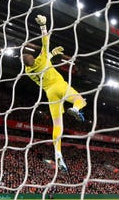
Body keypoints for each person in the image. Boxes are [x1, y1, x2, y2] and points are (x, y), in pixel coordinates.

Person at [22, 14, 87, 172]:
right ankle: (76, 109)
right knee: (81, 100)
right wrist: (43, 25)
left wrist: (52, 54)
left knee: (57, 125)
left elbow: (43, 60)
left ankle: (58, 152)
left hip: (50, 94)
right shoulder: (41, 59)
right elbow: (45, 40)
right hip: (59, 86)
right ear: (34, 57)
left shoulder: (28, 71)